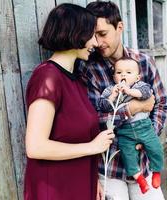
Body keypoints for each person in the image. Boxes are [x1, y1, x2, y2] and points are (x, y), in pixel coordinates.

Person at [77, 1, 167, 200]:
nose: (98, 42)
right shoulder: (88, 71)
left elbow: (161, 104)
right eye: (93, 36)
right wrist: (132, 108)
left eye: (102, 34)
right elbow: (94, 120)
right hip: (109, 169)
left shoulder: (144, 62)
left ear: (119, 27)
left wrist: (148, 135)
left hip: (142, 162)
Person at [24, 4, 115, 200]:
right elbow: (35, 146)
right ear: (77, 34)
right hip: (55, 189)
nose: (97, 42)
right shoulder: (47, 77)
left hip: (79, 184)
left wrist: (93, 180)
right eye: (92, 35)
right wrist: (93, 146)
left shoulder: (77, 79)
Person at [98, 58, 164, 194]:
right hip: (124, 132)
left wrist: (128, 91)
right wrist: (112, 96)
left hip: (144, 127)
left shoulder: (139, 86)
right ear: (114, 76)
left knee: (155, 148)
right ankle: (140, 179)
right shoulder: (109, 90)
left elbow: (145, 94)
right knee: (128, 156)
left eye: (128, 72)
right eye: (119, 72)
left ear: (137, 77)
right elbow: (102, 106)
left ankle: (156, 171)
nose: (123, 75)